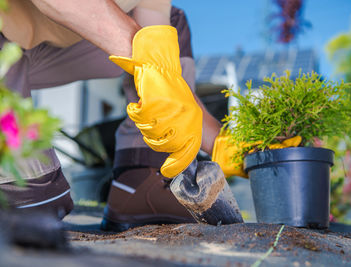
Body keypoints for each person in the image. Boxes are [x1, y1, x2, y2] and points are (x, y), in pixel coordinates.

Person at [0, 0, 231, 230]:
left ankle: (142, 183)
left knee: (169, 25)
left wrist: (221, 144)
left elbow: (152, 14)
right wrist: (147, 61)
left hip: (32, 45)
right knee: (33, 202)